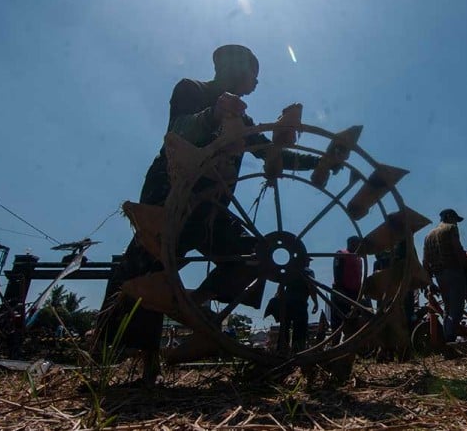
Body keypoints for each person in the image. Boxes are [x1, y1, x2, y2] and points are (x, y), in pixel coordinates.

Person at [96, 45, 321, 384]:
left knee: (253, 256)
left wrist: (320, 163)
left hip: (211, 212)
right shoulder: (192, 90)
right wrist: (213, 114)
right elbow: (179, 129)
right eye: (253, 75)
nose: (256, 84)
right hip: (171, 201)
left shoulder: (243, 121)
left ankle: (196, 306)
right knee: (144, 269)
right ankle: (129, 358)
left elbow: (269, 155)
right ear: (234, 68)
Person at [422, 208, 467, 343]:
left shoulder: (428, 236)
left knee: (447, 308)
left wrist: (429, 281)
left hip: (439, 275)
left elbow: (425, 261)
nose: (457, 223)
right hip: (454, 271)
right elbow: (458, 249)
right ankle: (450, 340)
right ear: (449, 217)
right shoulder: (451, 228)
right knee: (457, 309)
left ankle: (446, 338)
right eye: (455, 219)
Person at [279, 257, 318, 353]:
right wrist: (315, 302)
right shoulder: (309, 272)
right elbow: (312, 288)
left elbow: (281, 286)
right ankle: (297, 352)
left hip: (287, 303)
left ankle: (281, 351)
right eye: (308, 261)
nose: (309, 263)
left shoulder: (290, 270)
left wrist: (280, 299)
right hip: (300, 303)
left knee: (284, 328)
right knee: (300, 329)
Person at [331, 236, 363, 342]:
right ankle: (335, 344)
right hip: (342, 292)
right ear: (351, 243)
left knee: (353, 320)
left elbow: (359, 276)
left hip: (354, 294)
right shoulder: (341, 254)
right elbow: (337, 273)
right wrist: (339, 291)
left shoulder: (359, 258)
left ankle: (350, 345)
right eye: (357, 243)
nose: (358, 246)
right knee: (337, 321)